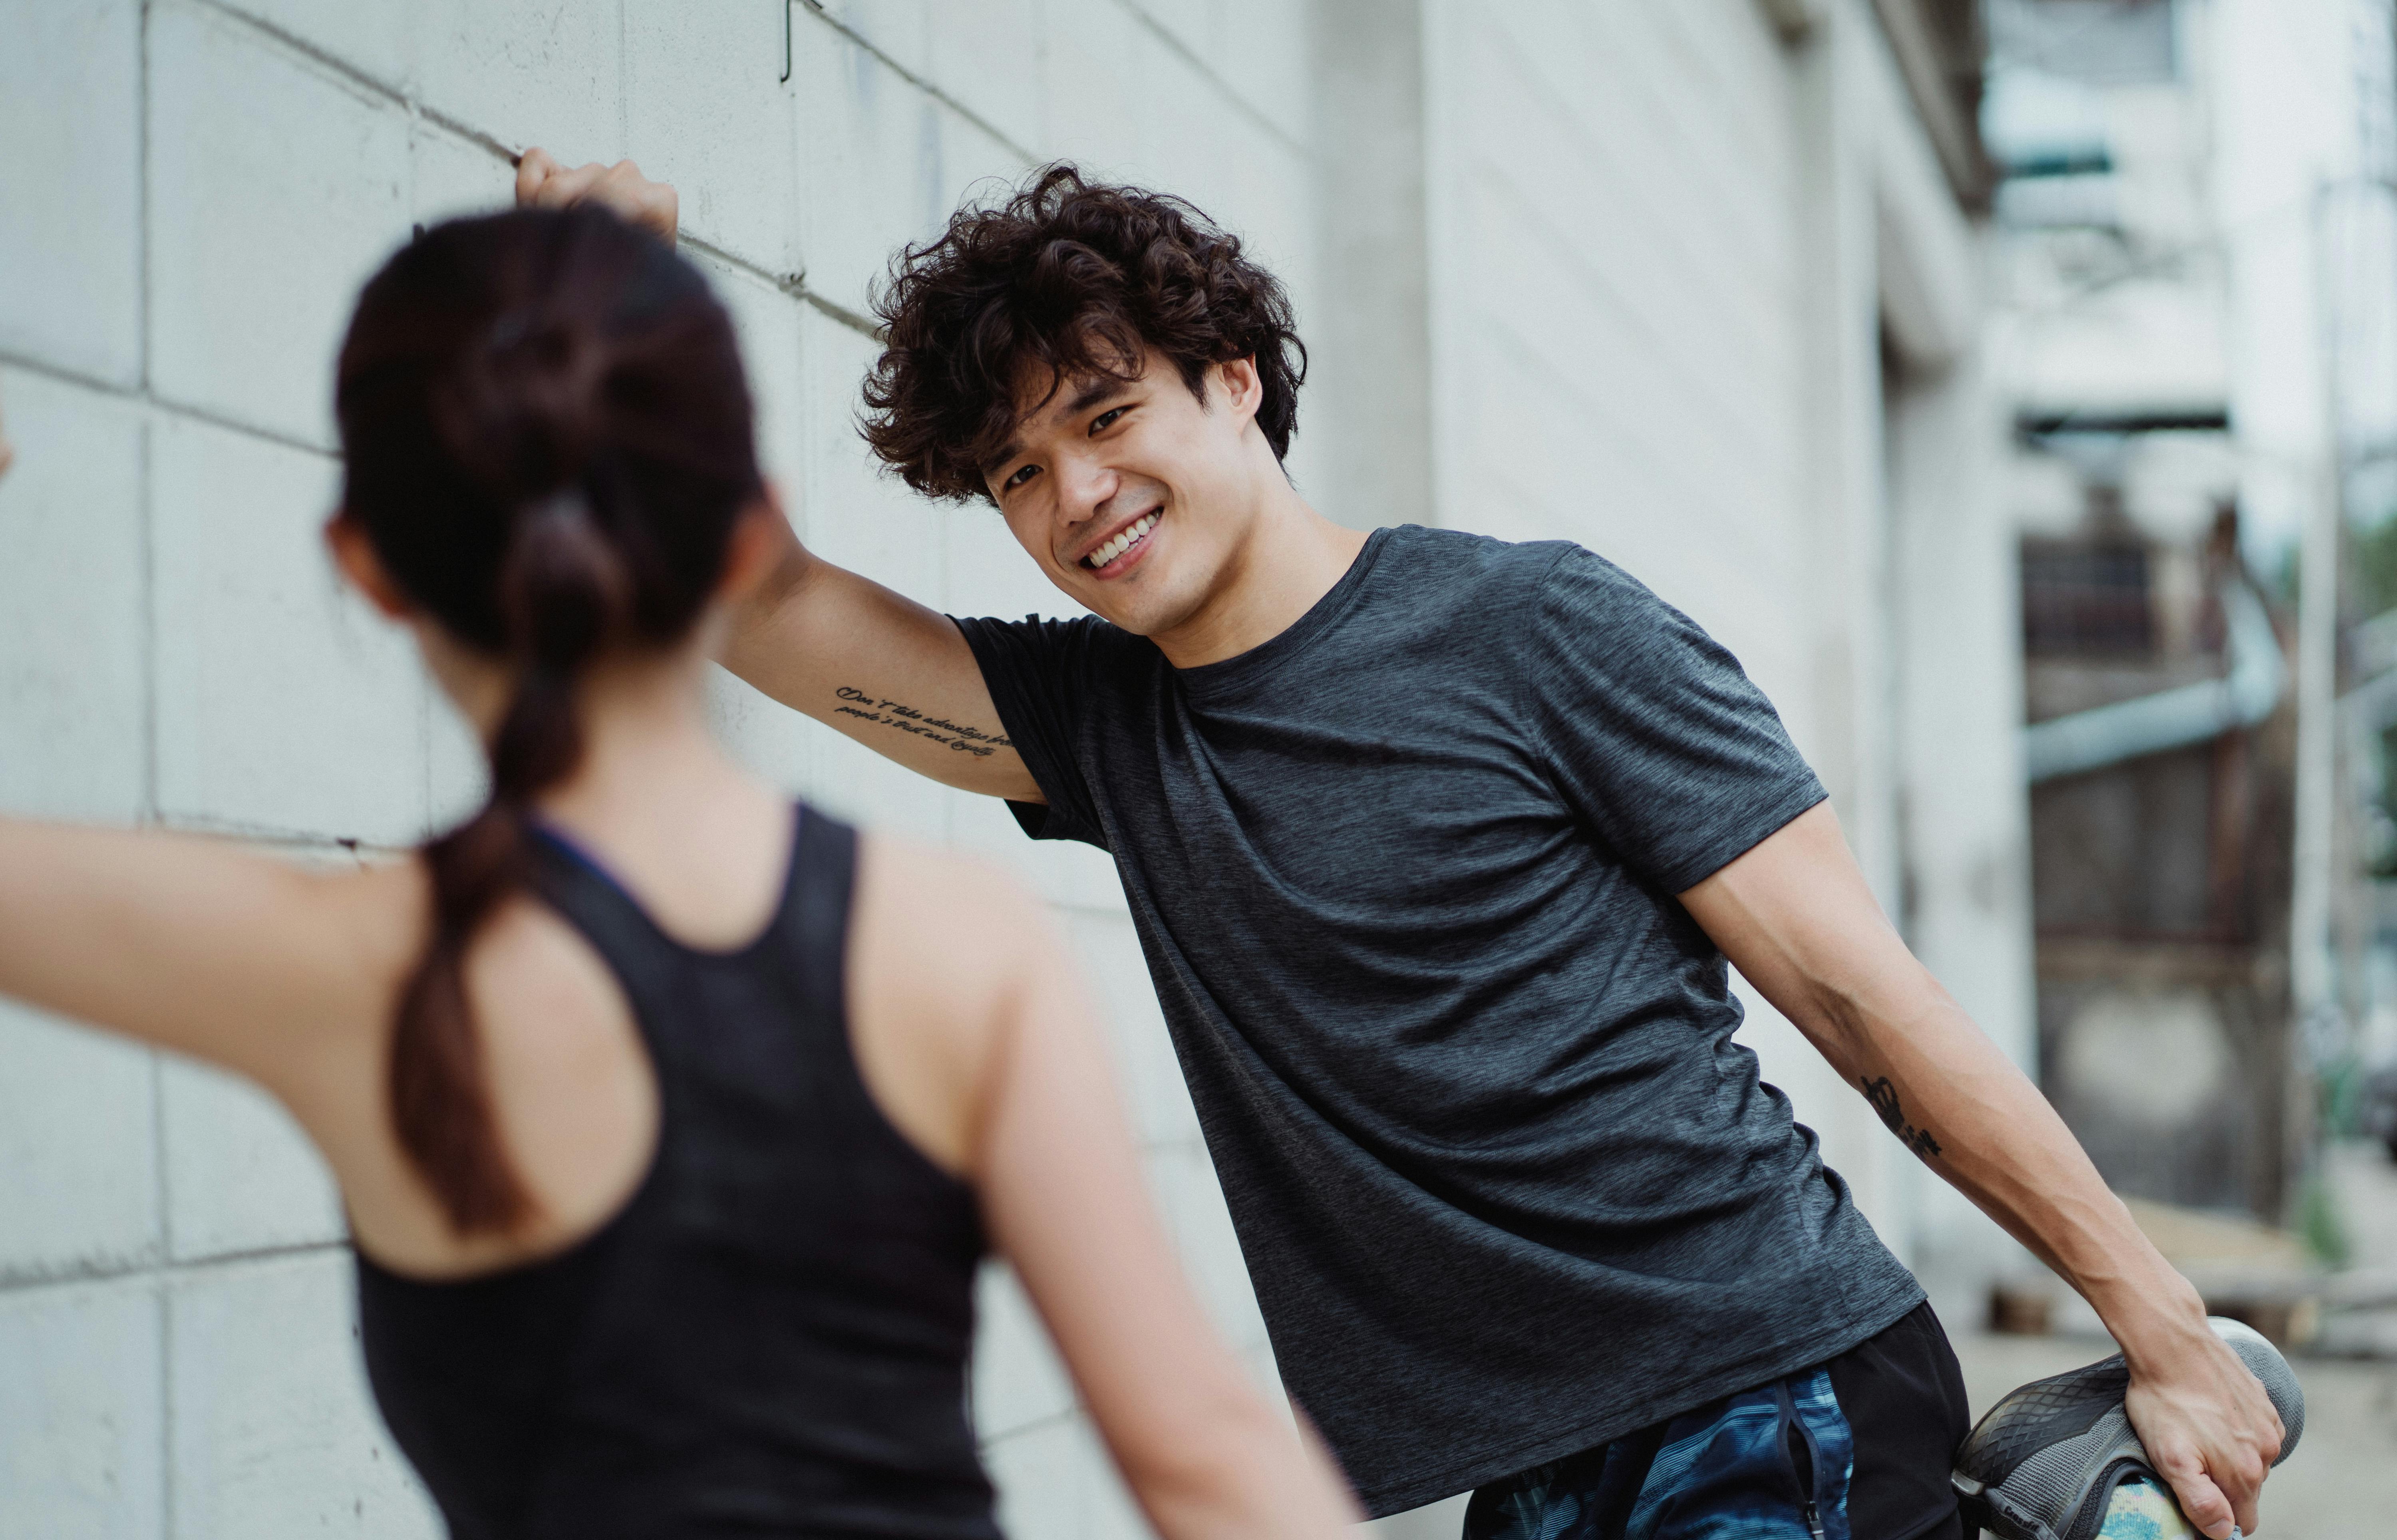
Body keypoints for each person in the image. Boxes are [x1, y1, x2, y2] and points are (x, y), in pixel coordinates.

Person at [518, 152, 2286, 1540]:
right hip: (1535, 1467)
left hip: (1767, 1385)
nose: (1073, 501)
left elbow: (1862, 996)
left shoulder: (1535, 628)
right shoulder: (1109, 730)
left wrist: (2165, 1327)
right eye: (1016, 476)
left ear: (1232, 382)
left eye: (1107, 415)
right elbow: (757, 606)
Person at [0, 209, 1359, 1540]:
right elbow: (1207, 1463)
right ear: (746, 529)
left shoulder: (351, 972)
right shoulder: (951, 952)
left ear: (367, 569)